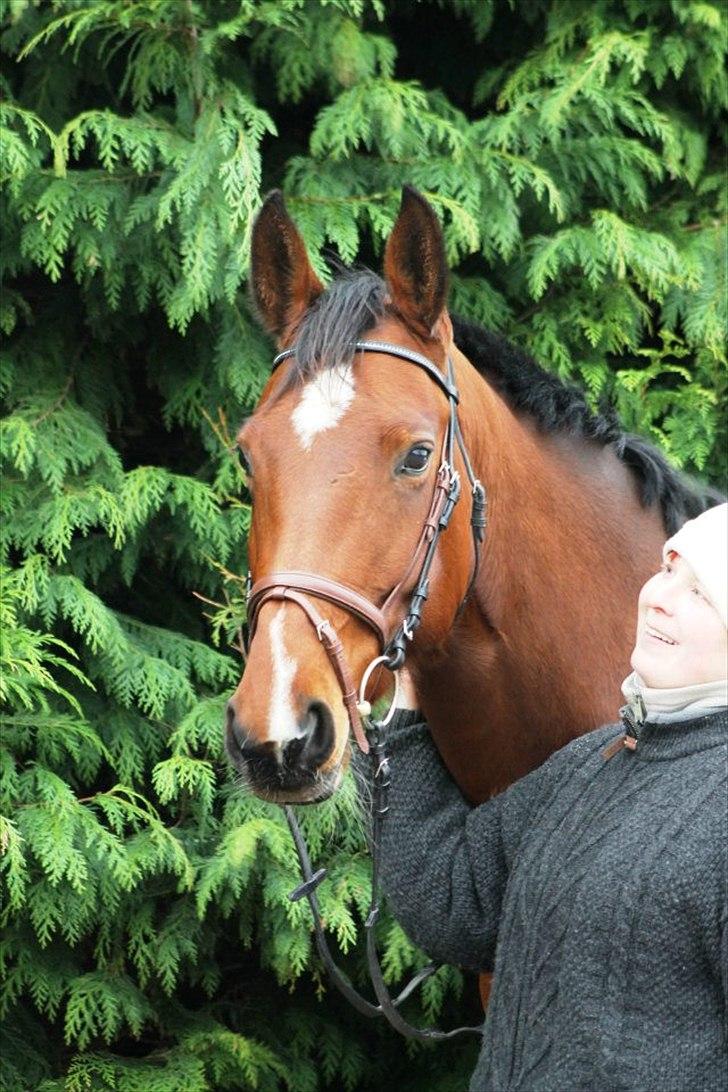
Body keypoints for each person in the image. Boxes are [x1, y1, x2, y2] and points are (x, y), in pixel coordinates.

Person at [373, 502, 727, 1092]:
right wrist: (402, 710)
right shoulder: (594, 760)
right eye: (669, 570)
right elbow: (457, 902)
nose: (660, 598)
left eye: (703, 594)